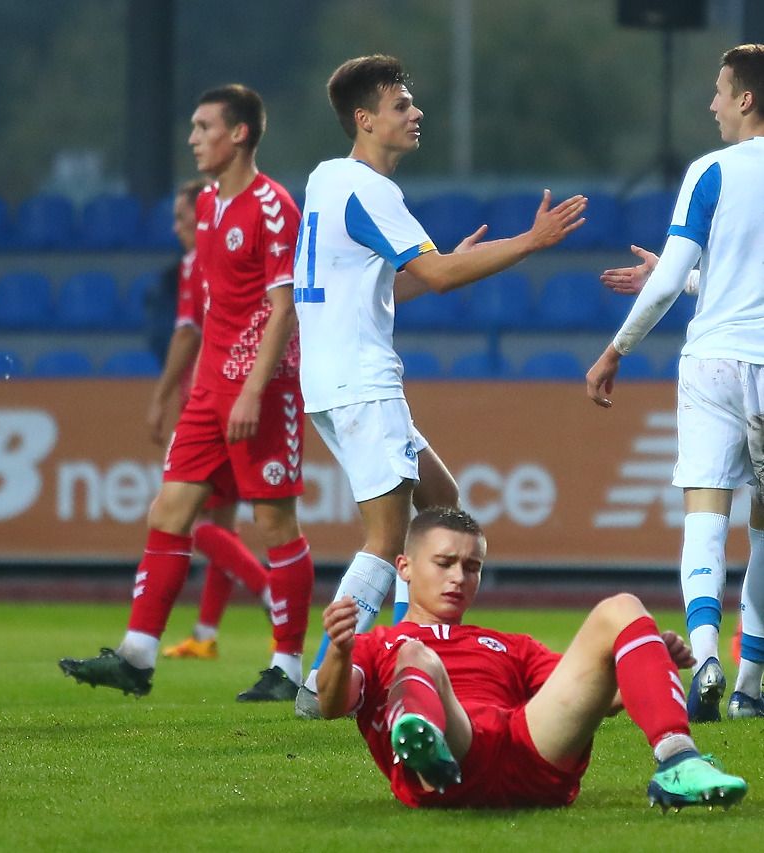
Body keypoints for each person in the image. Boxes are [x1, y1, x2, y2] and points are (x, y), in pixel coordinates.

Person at [292, 54, 587, 714]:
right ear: (364, 119)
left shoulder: (326, 180)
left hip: (332, 380)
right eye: (400, 104)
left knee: (440, 499)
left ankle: (402, 652)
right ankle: (328, 679)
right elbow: (441, 277)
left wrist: (446, 260)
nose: (414, 111)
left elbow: (384, 281)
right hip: (361, 382)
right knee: (389, 537)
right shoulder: (371, 191)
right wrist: (529, 241)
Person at [60, 84, 313, 701]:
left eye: (204, 127)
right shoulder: (205, 205)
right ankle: (137, 657)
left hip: (264, 383)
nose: (194, 138)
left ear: (241, 134)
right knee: (168, 513)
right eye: (194, 127)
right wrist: (186, 387)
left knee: (274, 520)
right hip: (209, 387)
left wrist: (253, 390)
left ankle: (287, 667)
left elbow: (286, 308)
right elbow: (201, 308)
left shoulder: (274, 206)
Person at [317, 507, 748, 810]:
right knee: (416, 655)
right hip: (456, 757)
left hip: (530, 755)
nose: (458, 577)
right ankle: (428, 747)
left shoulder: (511, 644)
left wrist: (647, 662)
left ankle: (679, 760)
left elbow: (596, 702)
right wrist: (339, 648)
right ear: (405, 568)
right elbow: (333, 703)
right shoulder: (377, 645)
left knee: (622, 607)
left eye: (472, 566)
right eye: (445, 563)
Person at [587, 44, 764, 722]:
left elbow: (666, 283)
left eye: (720, 91)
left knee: (705, 514)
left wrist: (614, 349)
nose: (712, 104)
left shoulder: (711, 171)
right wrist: (692, 278)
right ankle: (750, 677)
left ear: (745, 98)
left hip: (714, 362)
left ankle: (704, 651)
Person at [144, 179, 271, 660]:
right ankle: (205, 635)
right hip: (239, 400)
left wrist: (159, 398)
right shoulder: (236, 263)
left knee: (183, 516)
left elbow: (185, 335)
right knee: (222, 521)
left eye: (183, 217)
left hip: (213, 403)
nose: (178, 228)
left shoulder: (199, 264)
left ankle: (268, 590)